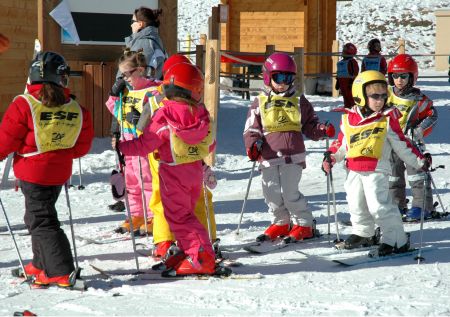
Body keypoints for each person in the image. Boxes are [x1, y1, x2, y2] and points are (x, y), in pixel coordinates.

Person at [0, 51, 94, 286]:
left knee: (42, 221)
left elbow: (7, 139)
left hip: (33, 172)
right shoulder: (77, 108)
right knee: (38, 217)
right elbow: (81, 147)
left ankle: (60, 270)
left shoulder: (25, 103)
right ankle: (41, 263)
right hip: (58, 172)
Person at [118, 62, 218, 275]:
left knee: (179, 217)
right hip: (192, 171)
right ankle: (187, 249)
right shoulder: (200, 113)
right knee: (186, 213)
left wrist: (123, 147)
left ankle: (203, 256)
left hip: (172, 174)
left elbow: (147, 143)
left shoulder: (165, 114)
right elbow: (209, 143)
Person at [322, 70, 429, 256]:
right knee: (356, 204)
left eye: (383, 95)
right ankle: (364, 233)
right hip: (353, 170)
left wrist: (420, 160)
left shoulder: (386, 118)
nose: (380, 100)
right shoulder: (348, 119)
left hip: (376, 169)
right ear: (360, 95)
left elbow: (402, 144)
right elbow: (342, 144)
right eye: (374, 95)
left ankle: (396, 239)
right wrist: (331, 156)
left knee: (379, 206)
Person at [243, 52, 335, 242]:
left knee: (289, 192)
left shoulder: (299, 100)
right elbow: (251, 128)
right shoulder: (259, 102)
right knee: (271, 193)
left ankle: (304, 224)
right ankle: (281, 222)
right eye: (279, 77)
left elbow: (310, 124)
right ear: (268, 76)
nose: (283, 82)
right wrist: (252, 145)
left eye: (288, 78)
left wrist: (321, 130)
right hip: (268, 156)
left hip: (293, 155)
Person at [143, 54, 219, 259]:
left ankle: (180, 241)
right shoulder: (164, 96)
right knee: (186, 198)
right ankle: (184, 239)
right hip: (175, 152)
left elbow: (141, 126)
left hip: (173, 153)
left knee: (169, 197)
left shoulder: (160, 96)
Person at [106, 49, 160, 235]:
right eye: (122, 75)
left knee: (147, 181)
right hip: (128, 143)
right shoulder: (126, 92)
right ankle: (136, 214)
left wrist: (141, 119)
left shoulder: (153, 90)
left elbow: (160, 115)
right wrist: (114, 94)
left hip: (145, 146)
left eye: (128, 74)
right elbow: (116, 112)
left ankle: (152, 216)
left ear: (140, 70)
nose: (125, 78)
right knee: (132, 182)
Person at [386, 54, 437, 221]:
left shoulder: (419, 99)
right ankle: (396, 204)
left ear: (412, 77)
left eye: (403, 76)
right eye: (395, 76)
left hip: (411, 144)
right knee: (393, 175)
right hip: (392, 142)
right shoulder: (386, 96)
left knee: (417, 175)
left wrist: (418, 130)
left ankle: (422, 206)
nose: (399, 80)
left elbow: (432, 115)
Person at [121, 6, 166, 80]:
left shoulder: (144, 43)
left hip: (140, 90)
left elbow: (133, 71)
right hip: (146, 88)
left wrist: (119, 83)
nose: (131, 25)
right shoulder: (152, 40)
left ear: (140, 24)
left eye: (132, 21)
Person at [336, 43, 359, 108]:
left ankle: (353, 109)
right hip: (342, 82)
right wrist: (337, 81)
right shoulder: (340, 62)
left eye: (344, 50)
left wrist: (352, 82)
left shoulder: (352, 62)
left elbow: (355, 72)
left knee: (351, 97)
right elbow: (339, 72)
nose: (343, 51)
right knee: (345, 97)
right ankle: (347, 109)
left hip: (348, 83)